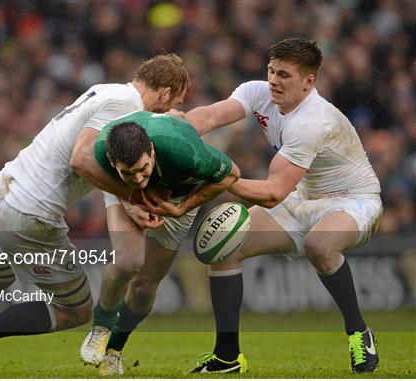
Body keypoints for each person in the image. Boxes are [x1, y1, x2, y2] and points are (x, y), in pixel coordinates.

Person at [0, 54, 190, 377]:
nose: (164, 113)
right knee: (75, 310)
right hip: (30, 212)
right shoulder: (126, 107)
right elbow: (80, 158)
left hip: (0, 191)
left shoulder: (106, 91)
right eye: (172, 102)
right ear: (164, 92)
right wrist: (131, 198)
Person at [160, 37, 382, 374]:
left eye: (285, 75)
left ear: (309, 82)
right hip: (300, 199)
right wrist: (170, 129)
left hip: (353, 200)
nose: (274, 81)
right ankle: (227, 357)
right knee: (224, 246)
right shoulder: (259, 92)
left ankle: (358, 331)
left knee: (318, 245)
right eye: (271, 71)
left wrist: (216, 177)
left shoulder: (313, 122)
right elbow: (209, 116)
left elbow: (273, 192)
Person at [77, 111, 240, 376]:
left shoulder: (184, 151)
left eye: (143, 169)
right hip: (124, 195)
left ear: (152, 151)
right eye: (129, 173)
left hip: (176, 201)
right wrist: (131, 199)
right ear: (112, 162)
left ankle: (114, 350)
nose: (140, 178)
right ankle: (102, 326)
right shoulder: (101, 152)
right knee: (128, 262)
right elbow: (83, 166)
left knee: (143, 287)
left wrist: (181, 208)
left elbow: (231, 174)